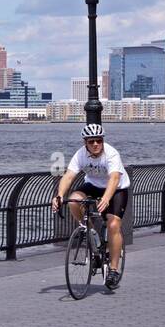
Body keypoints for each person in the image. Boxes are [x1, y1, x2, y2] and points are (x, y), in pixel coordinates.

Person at [52, 122, 128, 289]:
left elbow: (114, 178)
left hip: (116, 189)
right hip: (93, 186)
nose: (95, 144)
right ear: (85, 143)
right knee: (73, 200)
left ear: (102, 140)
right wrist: (59, 195)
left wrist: (106, 198)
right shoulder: (80, 155)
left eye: (99, 140)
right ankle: (90, 231)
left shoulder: (111, 154)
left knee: (113, 223)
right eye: (91, 141)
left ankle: (114, 270)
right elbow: (69, 176)